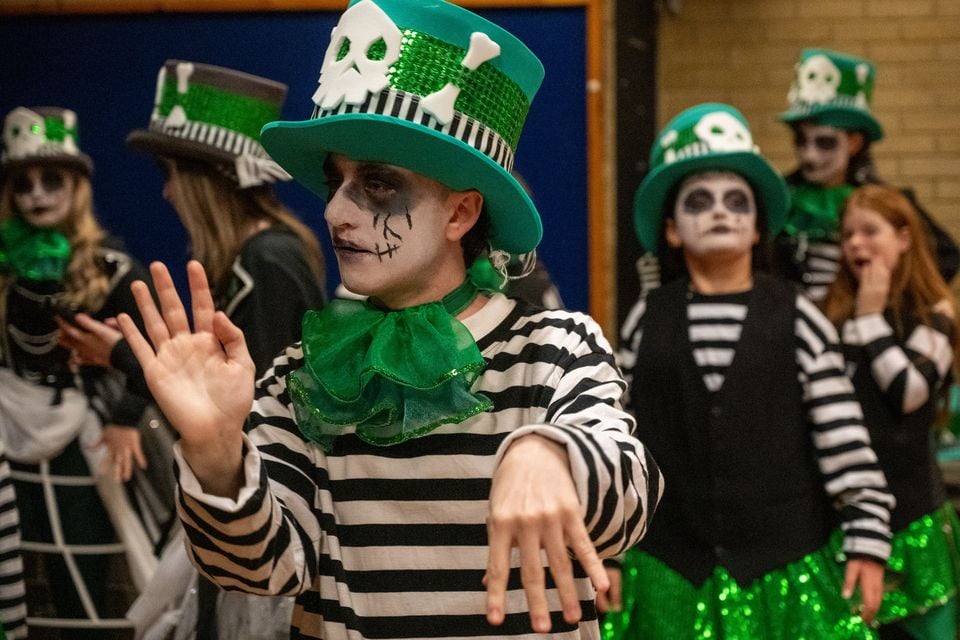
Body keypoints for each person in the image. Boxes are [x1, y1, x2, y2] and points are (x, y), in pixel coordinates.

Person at [116, 0, 663, 637]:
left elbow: (631, 500)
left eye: (376, 184)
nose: (336, 213)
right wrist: (215, 455)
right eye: (336, 181)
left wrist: (551, 452)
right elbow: (259, 569)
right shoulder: (308, 372)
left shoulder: (555, 349)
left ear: (460, 215)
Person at [604, 103, 896, 639]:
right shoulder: (648, 316)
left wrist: (868, 541)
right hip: (671, 568)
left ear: (759, 225)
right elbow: (623, 434)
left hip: (784, 567)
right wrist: (612, 551)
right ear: (672, 229)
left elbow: (844, 439)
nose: (721, 212)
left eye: (737, 201)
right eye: (700, 201)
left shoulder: (800, 315)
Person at [64, 62, 329, 639]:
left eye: (171, 171)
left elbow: (253, 410)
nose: (165, 190)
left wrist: (125, 358)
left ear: (209, 181)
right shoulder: (254, 259)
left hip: (264, 511)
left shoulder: (267, 263)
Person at [0, 105, 152, 638]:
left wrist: (126, 418)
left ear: (77, 187)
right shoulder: (3, 264)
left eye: (51, 181)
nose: (37, 195)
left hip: (84, 444)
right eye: (24, 184)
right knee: (21, 566)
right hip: (7, 444)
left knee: (84, 573)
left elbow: (153, 351)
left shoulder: (110, 266)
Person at [822, 184, 960, 640]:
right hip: (848, 522)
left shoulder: (934, 312)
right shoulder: (829, 316)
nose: (856, 244)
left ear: (904, 238)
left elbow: (908, 391)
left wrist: (869, 316)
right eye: (847, 236)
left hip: (914, 521)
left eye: (869, 231)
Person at [775, 48, 958, 302]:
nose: (809, 156)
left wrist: (893, 301)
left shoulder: (884, 202)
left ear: (854, 143)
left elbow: (945, 257)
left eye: (825, 143)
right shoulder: (779, 197)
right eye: (801, 141)